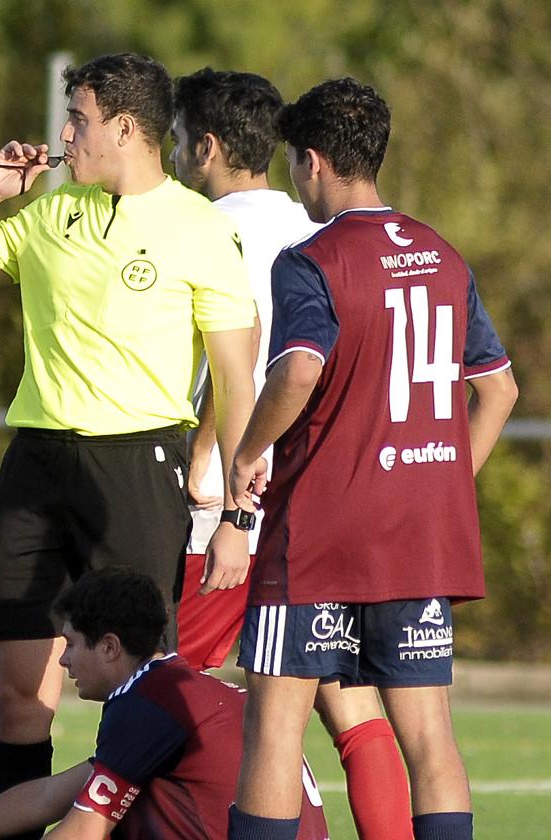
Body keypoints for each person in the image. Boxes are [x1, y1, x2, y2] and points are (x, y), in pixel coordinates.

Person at [0, 52, 257, 834]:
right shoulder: (50, 212)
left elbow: (238, 383)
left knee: (139, 690)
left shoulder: (201, 228)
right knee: (19, 699)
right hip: (36, 467)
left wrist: (238, 515)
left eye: (80, 119)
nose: (65, 135)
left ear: (126, 128)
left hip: (137, 467)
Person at [225, 78, 519, 840]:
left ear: (315, 161)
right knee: (428, 734)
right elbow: (500, 391)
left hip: (321, 532)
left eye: (295, 163)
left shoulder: (310, 260)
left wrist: (248, 450)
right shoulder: (443, 256)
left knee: (276, 725)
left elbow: (296, 370)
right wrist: (440, 486)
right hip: (419, 535)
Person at [169, 68, 414, 840]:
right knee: (349, 702)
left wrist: (211, 471)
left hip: (233, 501)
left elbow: (236, 367)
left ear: (204, 147)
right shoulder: (320, 228)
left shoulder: (207, 230)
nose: (173, 154)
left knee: (184, 691)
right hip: (328, 492)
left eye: (176, 139)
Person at [0, 568, 328, 840]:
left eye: (71, 644)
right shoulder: (175, 690)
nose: (62, 660)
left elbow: (82, 832)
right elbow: (47, 795)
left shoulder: (147, 702)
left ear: (108, 646)